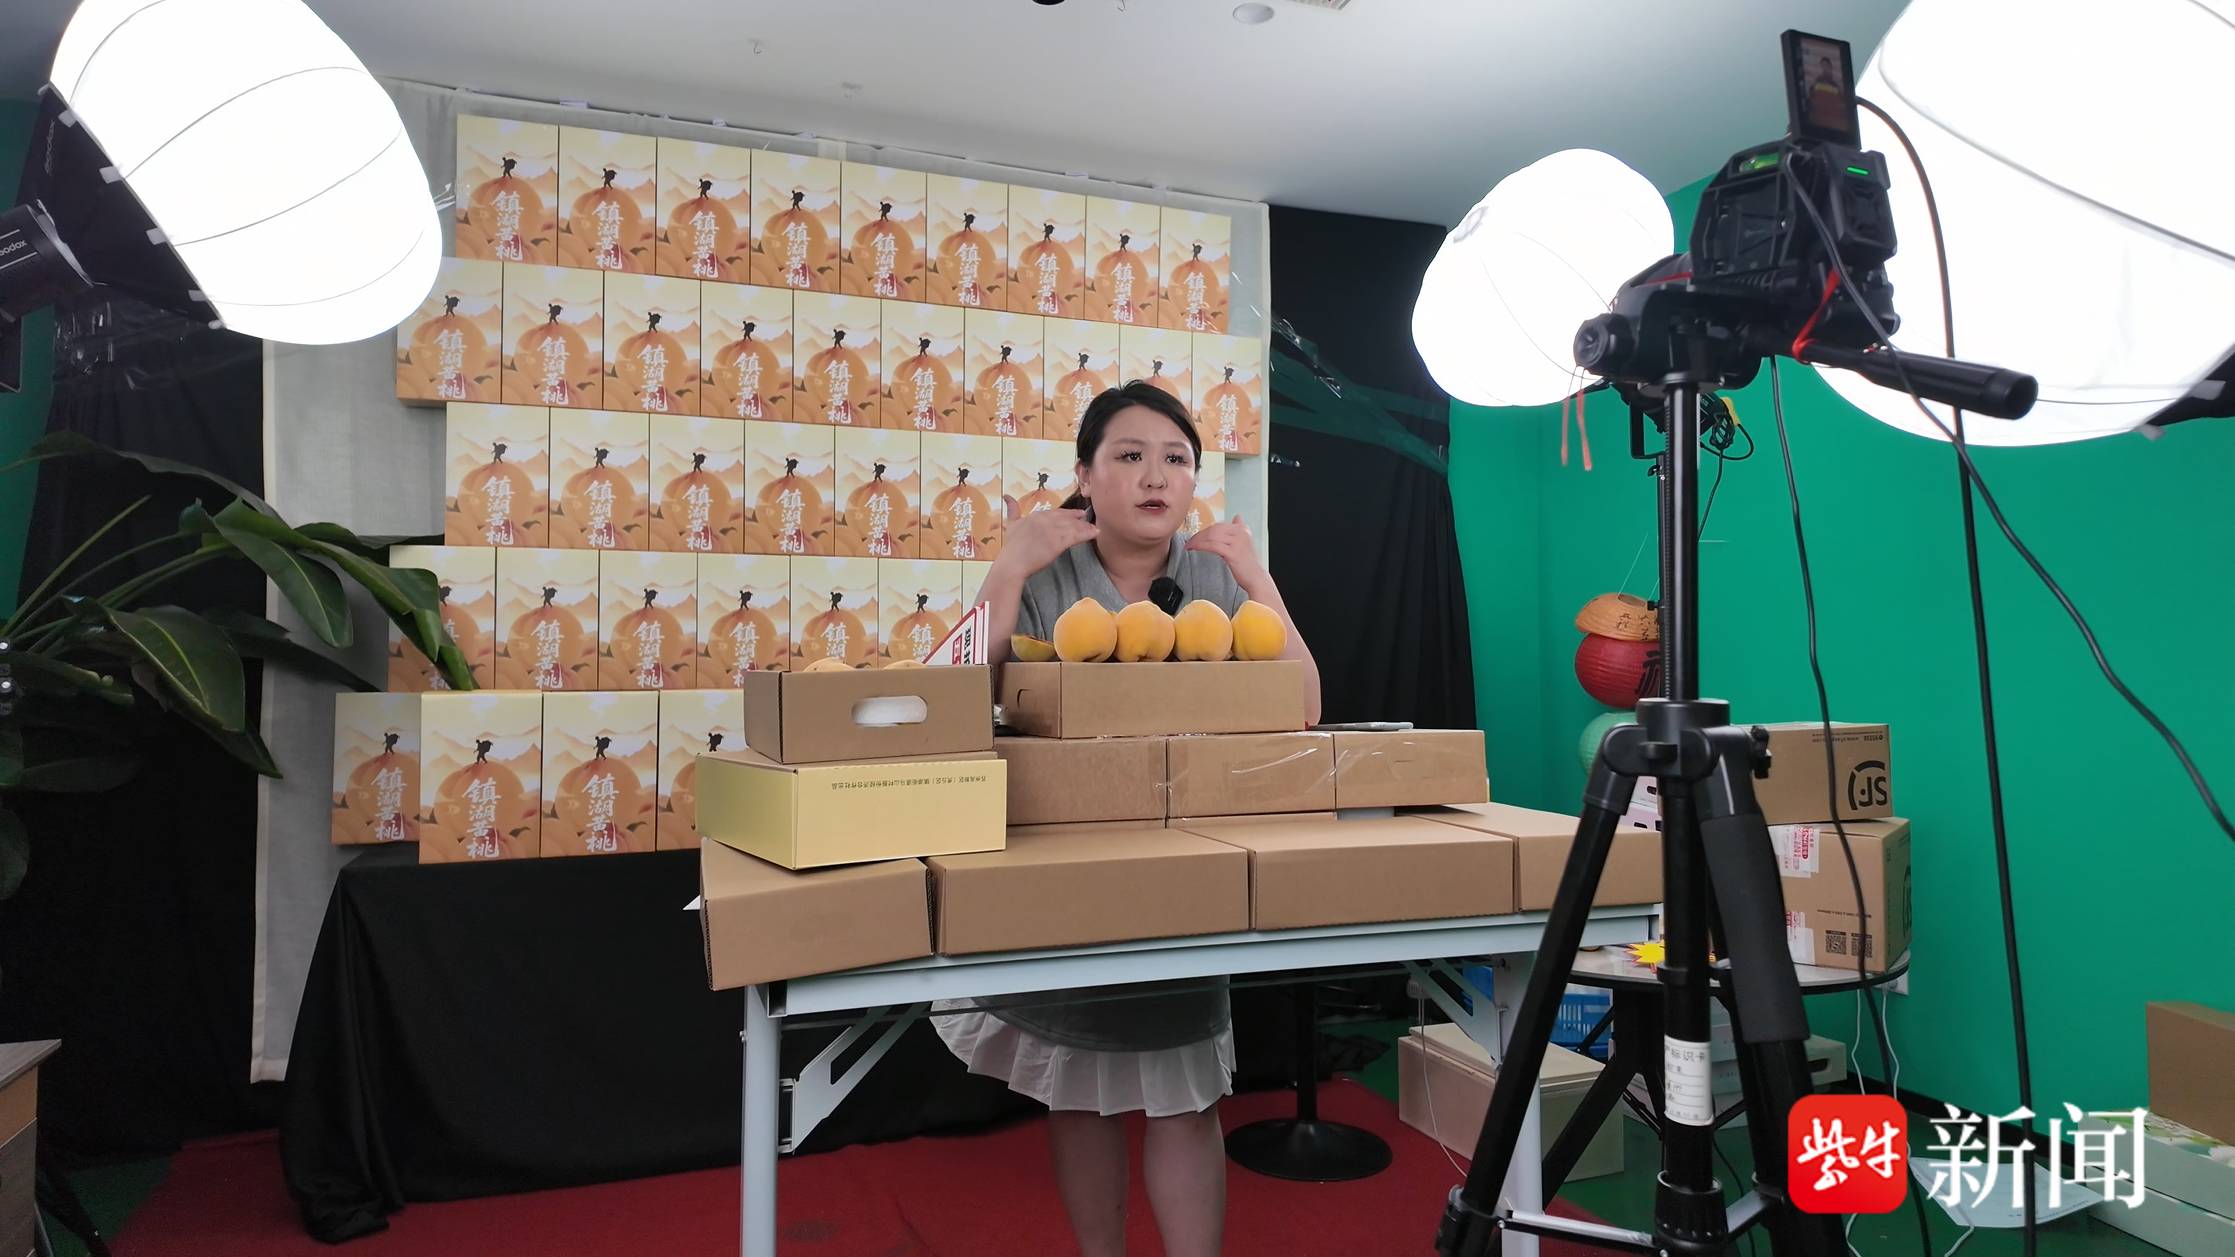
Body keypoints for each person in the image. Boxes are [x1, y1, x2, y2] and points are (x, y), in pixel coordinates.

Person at [938, 380, 1321, 1257]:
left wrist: (1257, 576)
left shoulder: (1215, 575)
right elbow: (954, 702)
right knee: (1078, 1089)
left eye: (1176, 459)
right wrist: (1007, 567)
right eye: (1129, 455)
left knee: (1184, 1094)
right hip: (1064, 861)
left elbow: (1304, 704)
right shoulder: (1048, 572)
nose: (1156, 476)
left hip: (1183, 863)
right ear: (1085, 474)